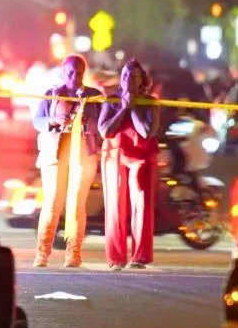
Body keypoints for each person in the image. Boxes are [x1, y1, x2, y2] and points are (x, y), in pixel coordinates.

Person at [31, 55, 104, 268]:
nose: (75, 77)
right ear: (63, 72)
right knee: (52, 202)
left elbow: (103, 124)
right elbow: (37, 120)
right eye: (71, 72)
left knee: (77, 204)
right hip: (54, 152)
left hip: (83, 152)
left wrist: (86, 121)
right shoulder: (52, 94)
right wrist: (53, 121)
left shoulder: (93, 96)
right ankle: (42, 253)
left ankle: (74, 254)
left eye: (79, 72)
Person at [98, 59, 159, 271]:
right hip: (115, 155)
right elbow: (105, 131)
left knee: (141, 204)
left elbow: (146, 132)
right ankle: (116, 258)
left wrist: (132, 109)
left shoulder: (150, 102)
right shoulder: (111, 100)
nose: (127, 80)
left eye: (133, 77)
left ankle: (140, 257)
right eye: (124, 75)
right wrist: (122, 109)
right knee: (115, 205)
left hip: (142, 158)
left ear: (142, 81)